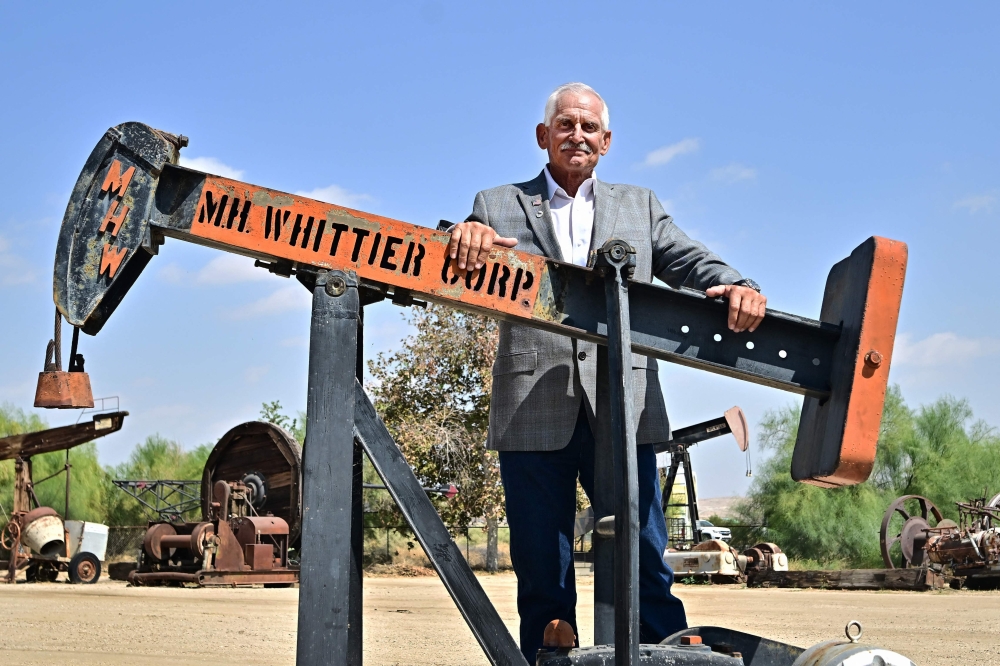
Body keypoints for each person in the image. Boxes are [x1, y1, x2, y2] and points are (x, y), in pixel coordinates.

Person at [448, 82, 767, 663]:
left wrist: (737, 284)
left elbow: (688, 257)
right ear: (543, 137)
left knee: (645, 555)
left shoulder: (639, 206)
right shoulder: (497, 203)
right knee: (543, 567)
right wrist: (459, 235)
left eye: (588, 127)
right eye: (565, 125)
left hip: (626, 406)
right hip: (531, 409)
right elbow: (453, 246)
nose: (577, 135)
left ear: (607, 141)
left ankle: (666, 657)